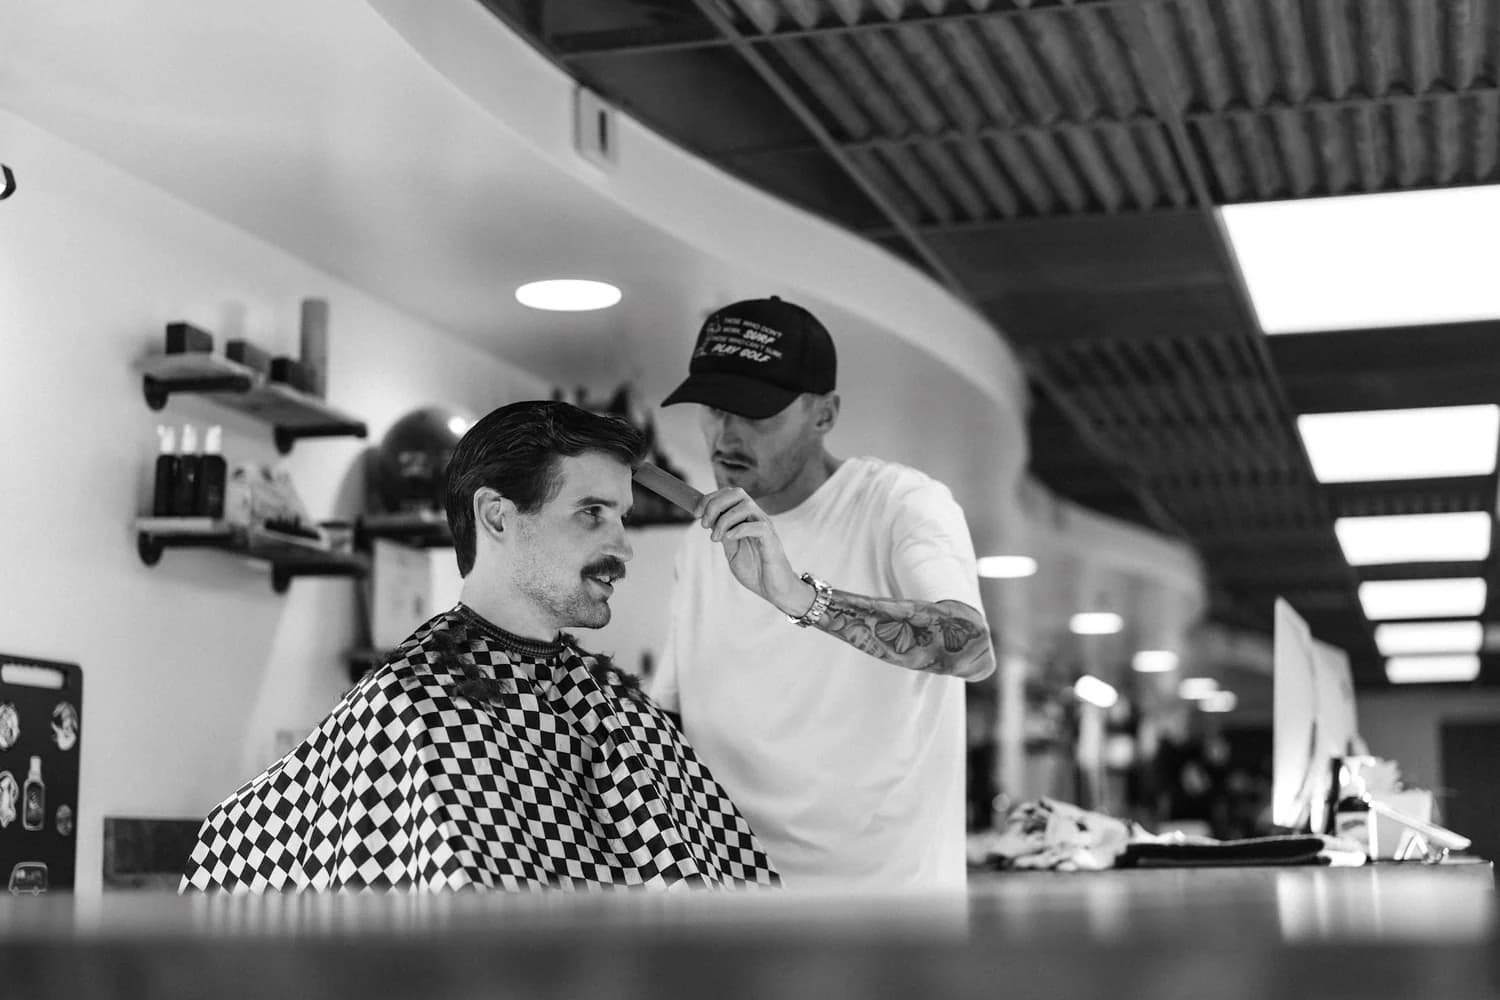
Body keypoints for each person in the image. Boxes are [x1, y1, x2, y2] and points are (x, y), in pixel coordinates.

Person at [181, 401, 779, 892]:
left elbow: (736, 908)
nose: (623, 548)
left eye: (621, 516)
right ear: (495, 516)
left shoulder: (617, 712)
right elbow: (228, 866)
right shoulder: (408, 711)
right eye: (591, 512)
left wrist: (793, 595)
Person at [652, 296, 996, 888]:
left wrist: (801, 598)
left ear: (824, 414)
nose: (725, 436)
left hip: (889, 926)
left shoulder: (899, 506)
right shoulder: (697, 541)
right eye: (713, 409)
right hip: (738, 917)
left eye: (755, 413)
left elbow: (970, 649)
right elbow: (671, 721)